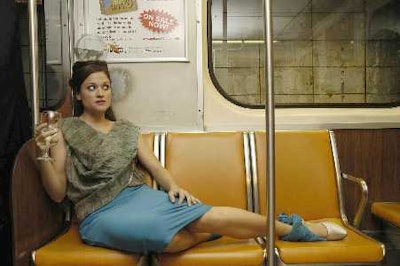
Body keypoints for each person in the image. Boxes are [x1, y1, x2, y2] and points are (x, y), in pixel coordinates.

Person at [34, 60, 347, 256]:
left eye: (105, 86)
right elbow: (59, 192)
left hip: (140, 196)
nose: (101, 93)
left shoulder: (127, 130)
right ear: (77, 94)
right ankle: (254, 229)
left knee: (205, 215)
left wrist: (173, 186)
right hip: (99, 214)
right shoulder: (64, 131)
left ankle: (296, 231)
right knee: (167, 241)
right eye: (91, 88)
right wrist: (42, 154)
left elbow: (155, 167)